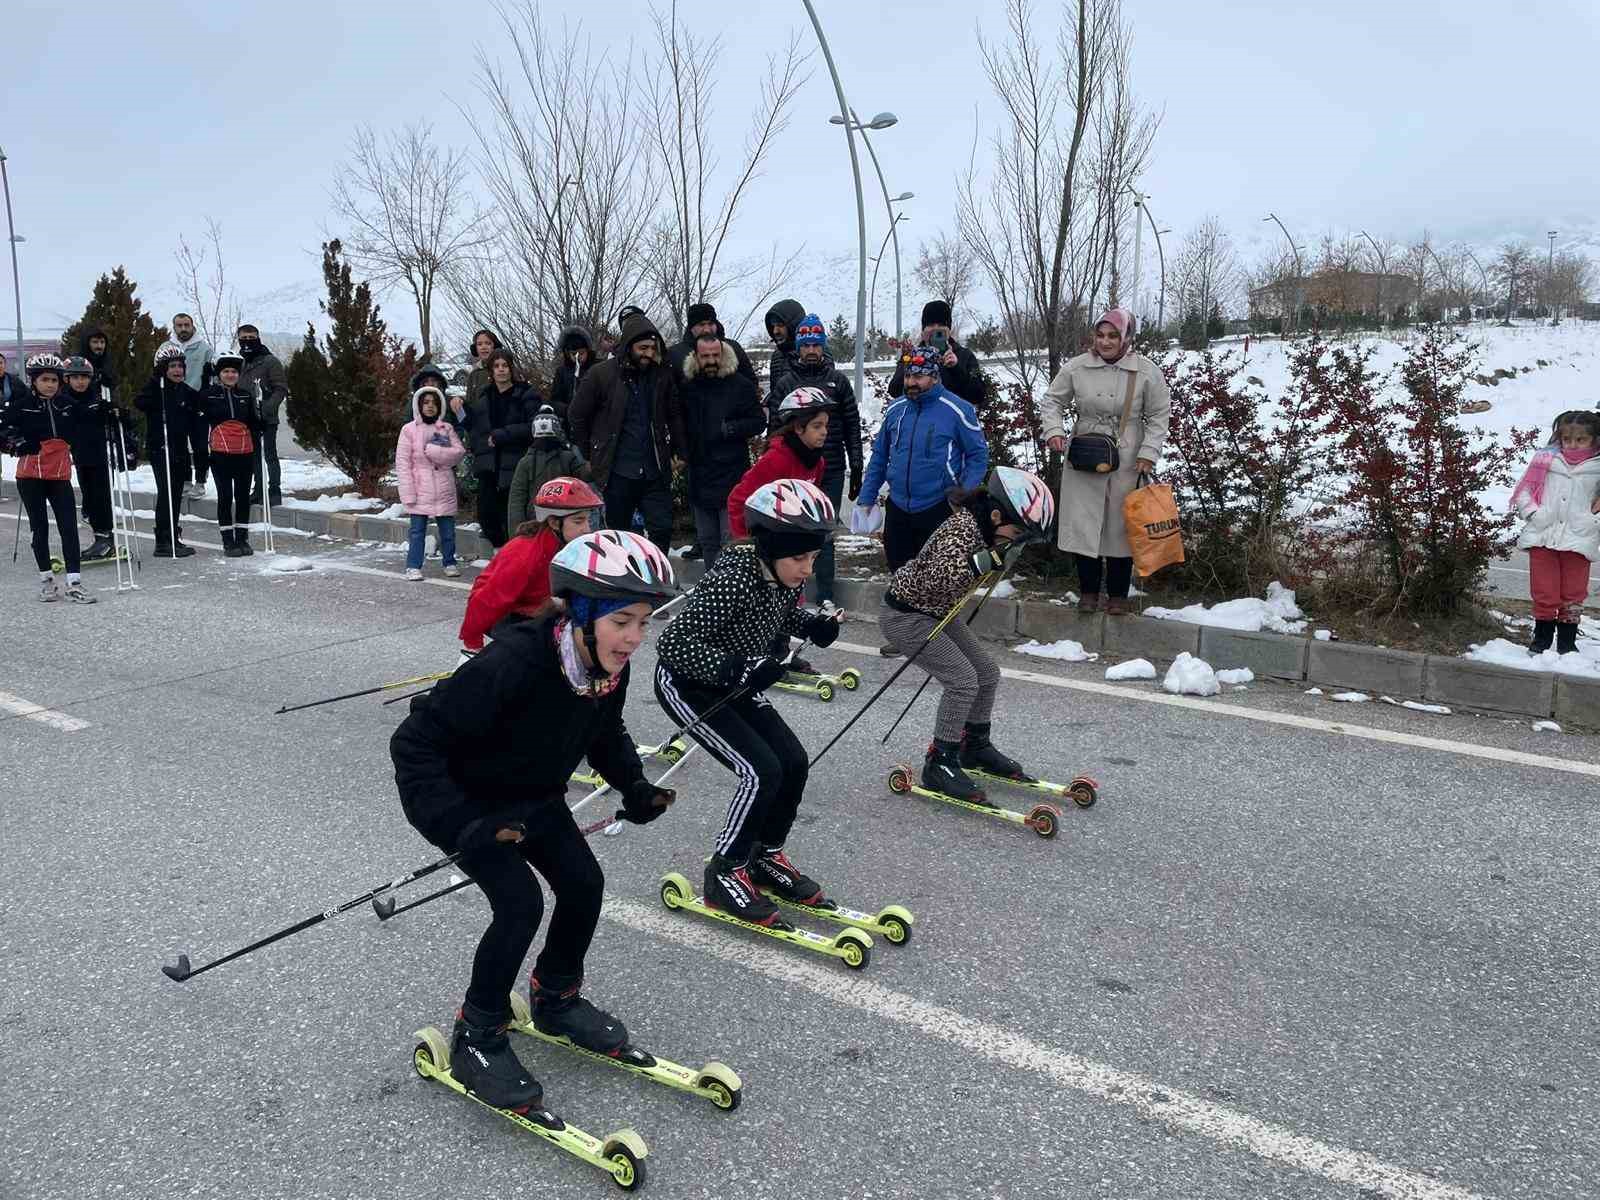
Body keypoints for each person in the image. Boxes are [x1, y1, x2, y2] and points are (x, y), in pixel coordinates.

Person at [390, 528, 679, 1108]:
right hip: (468, 802)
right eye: (622, 621)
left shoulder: (606, 666)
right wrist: (464, 826)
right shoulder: (514, 661)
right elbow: (414, 744)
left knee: (584, 884)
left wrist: (635, 785)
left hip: (533, 796)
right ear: (583, 614)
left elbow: (604, 731)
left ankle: (555, 998)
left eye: (644, 622)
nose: (634, 637)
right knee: (519, 903)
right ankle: (477, 1033)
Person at [653, 478, 843, 925]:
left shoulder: (778, 573)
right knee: (760, 770)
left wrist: (812, 626)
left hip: (734, 684)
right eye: (799, 559)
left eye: (813, 557)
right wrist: (738, 668)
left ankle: (764, 855)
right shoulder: (733, 579)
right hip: (688, 684)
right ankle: (725, 871)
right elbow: (671, 643)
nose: (807, 569)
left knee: (793, 761)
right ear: (771, 547)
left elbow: (777, 612)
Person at [879, 467, 1055, 802]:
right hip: (907, 616)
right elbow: (938, 579)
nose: (1016, 541)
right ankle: (939, 763)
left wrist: (1000, 553)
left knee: (987, 674)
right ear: (996, 515)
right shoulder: (962, 530)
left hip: (938, 612)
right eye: (1017, 533)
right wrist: (985, 560)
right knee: (962, 681)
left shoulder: (986, 529)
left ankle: (974, 746)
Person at [1037, 307, 1170, 615]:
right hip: (1084, 453)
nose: (1106, 342)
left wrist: (1148, 452)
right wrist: (1054, 431)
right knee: (1084, 524)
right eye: (1100, 335)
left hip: (1128, 457)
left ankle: (1118, 595)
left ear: (1127, 337)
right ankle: (1088, 592)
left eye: (1113, 335)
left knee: (1120, 526)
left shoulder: (1146, 371)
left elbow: (1159, 414)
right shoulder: (1076, 367)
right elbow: (1052, 401)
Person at [727, 387, 835, 676]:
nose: (824, 432)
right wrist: (748, 543)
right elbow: (738, 500)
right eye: (817, 426)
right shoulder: (777, 460)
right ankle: (762, 654)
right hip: (768, 545)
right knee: (766, 600)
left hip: (792, 547)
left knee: (789, 597)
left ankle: (780, 651)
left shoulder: (817, 461)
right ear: (798, 428)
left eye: (826, 425)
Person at [858, 343, 989, 572]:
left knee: (936, 578)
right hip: (898, 508)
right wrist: (867, 497)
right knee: (900, 576)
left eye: (919, 376)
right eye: (908, 376)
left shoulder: (958, 409)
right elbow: (879, 456)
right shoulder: (896, 409)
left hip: (939, 507)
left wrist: (965, 490)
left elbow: (978, 455)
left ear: (935, 377)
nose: (911, 382)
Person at [771, 312, 864, 614]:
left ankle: (825, 595)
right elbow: (774, 429)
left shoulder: (838, 382)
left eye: (816, 344)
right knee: (794, 533)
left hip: (832, 469)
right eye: (806, 345)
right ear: (798, 347)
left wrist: (857, 464)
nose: (811, 350)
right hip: (796, 470)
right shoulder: (786, 383)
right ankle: (791, 595)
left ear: (823, 346)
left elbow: (852, 425)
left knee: (824, 533)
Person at [570, 311, 685, 553]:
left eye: (652, 348)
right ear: (630, 345)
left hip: (654, 469)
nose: (648, 354)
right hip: (617, 470)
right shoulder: (601, 374)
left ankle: (656, 572)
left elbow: (674, 414)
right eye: (643, 348)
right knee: (618, 533)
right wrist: (590, 453)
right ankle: (621, 573)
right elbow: (577, 415)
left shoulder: (661, 375)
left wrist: (679, 450)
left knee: (661, 528)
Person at [459, 476, 603, 654]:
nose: (587, 529)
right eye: (578, 521)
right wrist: (473, 644)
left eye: (588, 520)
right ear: (554, 522)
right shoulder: (524, 554)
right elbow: (486, 601)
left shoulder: (569, 545)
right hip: (507, 615)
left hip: (539, 607)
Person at [0, 354, 96, 603]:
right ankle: (47, 582)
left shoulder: (66, 405)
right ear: (33, 381)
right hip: (30, 476)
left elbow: (88, 420)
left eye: (54, 380)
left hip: (59, 475)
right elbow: (3, 432)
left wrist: (110, 413)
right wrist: (17, 443)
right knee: (39, 528)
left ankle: (74, 583)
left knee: (68, 527)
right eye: (45, 380)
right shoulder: (22, 405)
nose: (50, 385)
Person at [1510, 409, 1600, 654]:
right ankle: (1541, 641)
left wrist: (1593, 521)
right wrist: (1533, 513)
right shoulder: (1546, 459)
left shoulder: (1598, 466)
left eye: (1581, 439)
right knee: (1544, 591)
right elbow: (1524, 491)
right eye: (1566, 439)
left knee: (1573, 593)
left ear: (1594, 439)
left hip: (1580, 538)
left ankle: (1567, 644)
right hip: (1543, 535)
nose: (1572, 444)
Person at [680, 331, 766, 568]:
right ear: (696, 357)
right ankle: (712, 585)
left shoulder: (740, 385)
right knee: (707, 541)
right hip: (699, 475)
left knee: (732, 541)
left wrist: (730, 429)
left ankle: (732, 584)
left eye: (715, 355)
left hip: (731, 475)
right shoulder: (688, 388)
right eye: (705, 356)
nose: (711, 360)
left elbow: (759, 421)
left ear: (723, 354)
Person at [464, 348, 536, 550]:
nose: (501, 370)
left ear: (511, 369)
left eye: (505, 365)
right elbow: (475, 427)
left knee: (512, 515)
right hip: (489, 466)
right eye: (496, 366)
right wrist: (459, 409)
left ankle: (513, 554)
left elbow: (533, 426)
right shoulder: (484, 396)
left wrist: (503, 435)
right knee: (487, 515)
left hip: (515, 463)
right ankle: (500, 553)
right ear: (491, 370)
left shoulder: (525, 394)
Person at [197, 349, 266, 557]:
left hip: (245, 453)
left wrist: (260, 424)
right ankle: (228, 541)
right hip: (220, 454)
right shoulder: (208, 395)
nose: (230, 375)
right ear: (219, 374)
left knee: (243, 497)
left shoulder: (245, 394)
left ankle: (242, 539)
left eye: (234, 372)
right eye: (226, 371)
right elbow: (200, 423)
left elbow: (252, 422)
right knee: (225, 496)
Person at [134, 345, 201, 558]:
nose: (177, 370)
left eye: (180, 366)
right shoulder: (157, 388)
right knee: (167, 493)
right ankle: (163, 540)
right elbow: (139, 402)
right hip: (160, 448)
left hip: (180, 449)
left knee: (176, 493)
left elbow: (200, 405)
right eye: (172, 366)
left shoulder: (186, 391)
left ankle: (173, 535)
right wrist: (156, 386)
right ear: (163, 369)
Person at [395, 384, 467, 580]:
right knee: (417, 531)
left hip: (443, 487)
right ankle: (413, 566)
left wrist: (436, 452)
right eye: (426, 402)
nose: (430, 406)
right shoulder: (408, 430)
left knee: (448, 531)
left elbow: (458, 452)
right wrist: (407, 492)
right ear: (418, 405)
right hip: (419, 488)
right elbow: (403, 463)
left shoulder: (445, 428)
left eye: (434, 403)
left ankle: (449, 562)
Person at [59, 355, 124, 561]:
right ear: (67, 379)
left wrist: (114, 413)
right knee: (88, 497)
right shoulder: (62, 401)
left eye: (84, 377)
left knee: (101, 498)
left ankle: (105, 540)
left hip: (99, 456)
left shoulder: (97, 398)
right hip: (79, 456)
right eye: (75, 377)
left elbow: (120, 420)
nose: (80, 381)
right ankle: (100, 536)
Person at [887, 300, 991, 412]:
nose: (936, 329)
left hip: (953, 419)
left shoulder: (965, 355)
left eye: (941, 325)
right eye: (931, 325)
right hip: (920, 418)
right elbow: (894, 390)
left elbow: (978, 395)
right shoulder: (912, 355)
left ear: (949, 330)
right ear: (923, 330)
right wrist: (906, 362)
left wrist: (956, 368)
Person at [505, 406, 589, 532]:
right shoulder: (527, 462)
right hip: (541, 525)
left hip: (562, 522)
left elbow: (516, 501)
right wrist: (517, 532)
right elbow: (517, 500)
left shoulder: (567, 458)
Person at [164, 313, 215, 498]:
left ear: (193, 326)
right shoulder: (166, 348)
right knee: (179, 444)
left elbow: (213, 375)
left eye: (187, 325)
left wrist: (207, 394)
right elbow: (158, 373)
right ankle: (185, 480)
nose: (183, 328)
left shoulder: (204, 348)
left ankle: (200, 481)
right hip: (175, 403)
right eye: (179, 325)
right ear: (174, 327)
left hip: (198, 402)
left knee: (200, 444)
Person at [237, 324, 288, 508]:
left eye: (251, 338)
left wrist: (266, 409)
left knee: (269, 455)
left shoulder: (270, 361)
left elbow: (280, 388)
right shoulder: (240, 363)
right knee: (254, 456)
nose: (247, 342)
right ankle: (258, 490)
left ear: (258, 338)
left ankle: (274, 491)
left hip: (266, 418)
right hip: (247, 419)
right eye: (244, 338)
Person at [669, 303, 756, 387]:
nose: (707, 329)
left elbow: (751, 382)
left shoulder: (734, 348)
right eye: (701, 325)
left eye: (710, 324)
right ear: (691, 328)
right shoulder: (675, 354)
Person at [762, 298, 807, 412]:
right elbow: (777, 391)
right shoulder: (777, 355)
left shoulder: (813, 353)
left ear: (794, 325)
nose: (775, 331)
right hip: (778, 420)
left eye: (780, 325)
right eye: (773, 326)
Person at [547, 327, 594, 429]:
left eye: (581, 353)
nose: (578, 357)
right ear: (567, 353)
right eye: (573, 354)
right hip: (570, 424)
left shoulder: (597, 368)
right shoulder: (562, 372)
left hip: (595, 423)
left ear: (587, 351)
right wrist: (569, 410)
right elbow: (554, 400)